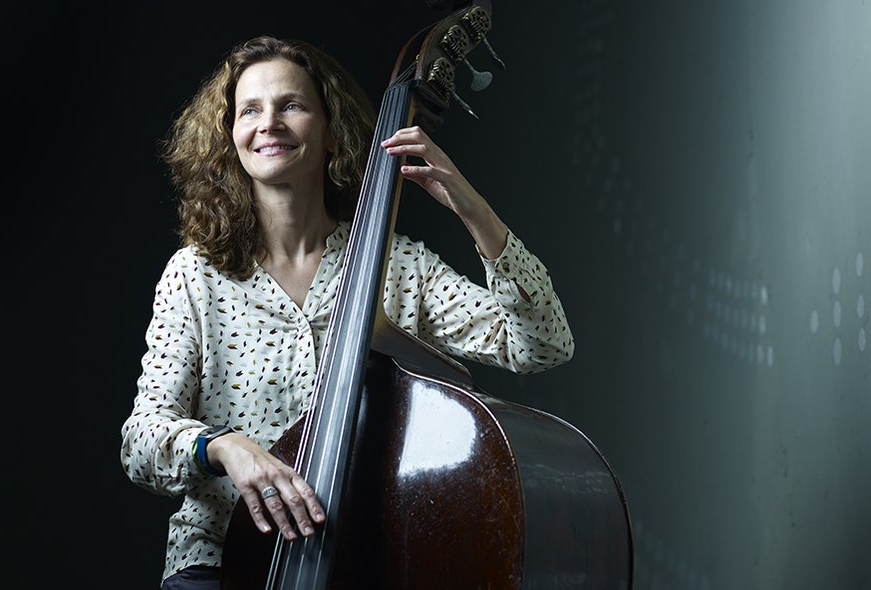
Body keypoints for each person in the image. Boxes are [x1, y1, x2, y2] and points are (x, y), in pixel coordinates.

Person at [120, 35, 574, 590]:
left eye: (292, 105)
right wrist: (223, 447)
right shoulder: (196, 275)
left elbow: (542, 344)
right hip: (218, 563)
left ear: (331, 128)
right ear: (229, 136)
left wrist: (472, 209)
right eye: (250, 110)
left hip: (366, 564)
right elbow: (142, 442)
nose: (269, 124)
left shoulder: (395, 265)